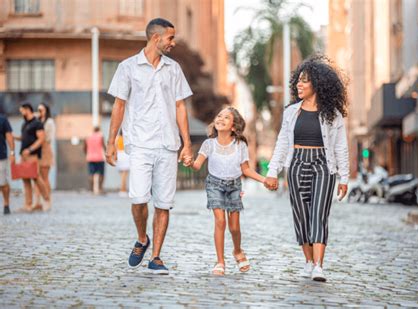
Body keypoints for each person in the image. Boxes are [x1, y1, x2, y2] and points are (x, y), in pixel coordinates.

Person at [105, 18, 193, 275]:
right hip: (140, 144)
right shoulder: (127, 68)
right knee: (139, 198)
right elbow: (119, 105)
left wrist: (187, 144)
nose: (173, 43)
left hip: (167, 144)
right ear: (156, 38)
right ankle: (142, 238)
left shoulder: (173, 69)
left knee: (163, 204)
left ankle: (156, 256)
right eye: (170, 38)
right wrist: (111, 142)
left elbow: (180, 106)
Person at [264, 55, 349, 282]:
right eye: (298, 81)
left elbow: (341, 147)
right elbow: (282, 142)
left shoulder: (334, 115)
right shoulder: (291, 112)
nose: (299, 85)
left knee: (319, 213)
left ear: (318, 84)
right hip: (297, 163)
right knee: (301, 215)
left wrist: (344, 177)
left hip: (323, 164)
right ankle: (309, 262)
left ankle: (319, 266)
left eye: (305, 81)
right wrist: (272, 172)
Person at [190, 107, 265, 276]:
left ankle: (237, 251)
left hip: (234, 186)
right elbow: (197, 165)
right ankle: (220, 261)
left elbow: (246, 170)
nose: (221, 119)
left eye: (226, 117)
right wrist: (189, 162)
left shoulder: (240, 145)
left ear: (234, 126)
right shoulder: (209, 144)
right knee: (220, 221)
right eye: (219, 116)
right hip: (214, 184)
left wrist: (264, 180)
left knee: (235, 227)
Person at [17, 103, 51, 212]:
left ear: (27, 110)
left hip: (32, 155)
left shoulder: (37, 123)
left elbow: (41, 139)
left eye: (22, 111)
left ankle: (46, 199)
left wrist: (30, 149)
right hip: (23, 155)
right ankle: (28, 204)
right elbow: (24, 138)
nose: (21, 113)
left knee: (36, 178)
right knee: (25, 179)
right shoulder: (24, 124)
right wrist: (12, 136)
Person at [34, 103, 55, 210]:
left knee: (44, 177)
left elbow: (48, 138)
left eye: (41, 109)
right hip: (36, 152)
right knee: (36, 177)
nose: (40, 111)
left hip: (45, 151)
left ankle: (47, 200)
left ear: (46, 110)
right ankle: (37, 202)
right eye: (38, 109)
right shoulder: (37, 122)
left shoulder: (49, 122)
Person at [0, 112, 15, 215]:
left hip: (1, 156)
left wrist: (12, 152)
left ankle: (6, 203)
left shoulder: (3, 120)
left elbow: (9, 136)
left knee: (2, 182)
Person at [84, 127, 106, 194]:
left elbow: (84, 147)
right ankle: (100, 189)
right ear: (99, 130)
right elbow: (104, 146)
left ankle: (91, 189)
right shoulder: (101, 136)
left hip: (90, 158)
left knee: (91, 174)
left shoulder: (88, 137)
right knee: (101, 174)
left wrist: (87, 154)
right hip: (100, 158)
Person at [116, 130, 130, 197]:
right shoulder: (126, 138)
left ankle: (122, 189)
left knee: (122, 175)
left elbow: (115, 147)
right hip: (125, 155)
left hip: (119, 155)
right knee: (125, 175)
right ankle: (123, 190)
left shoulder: (117, 138)